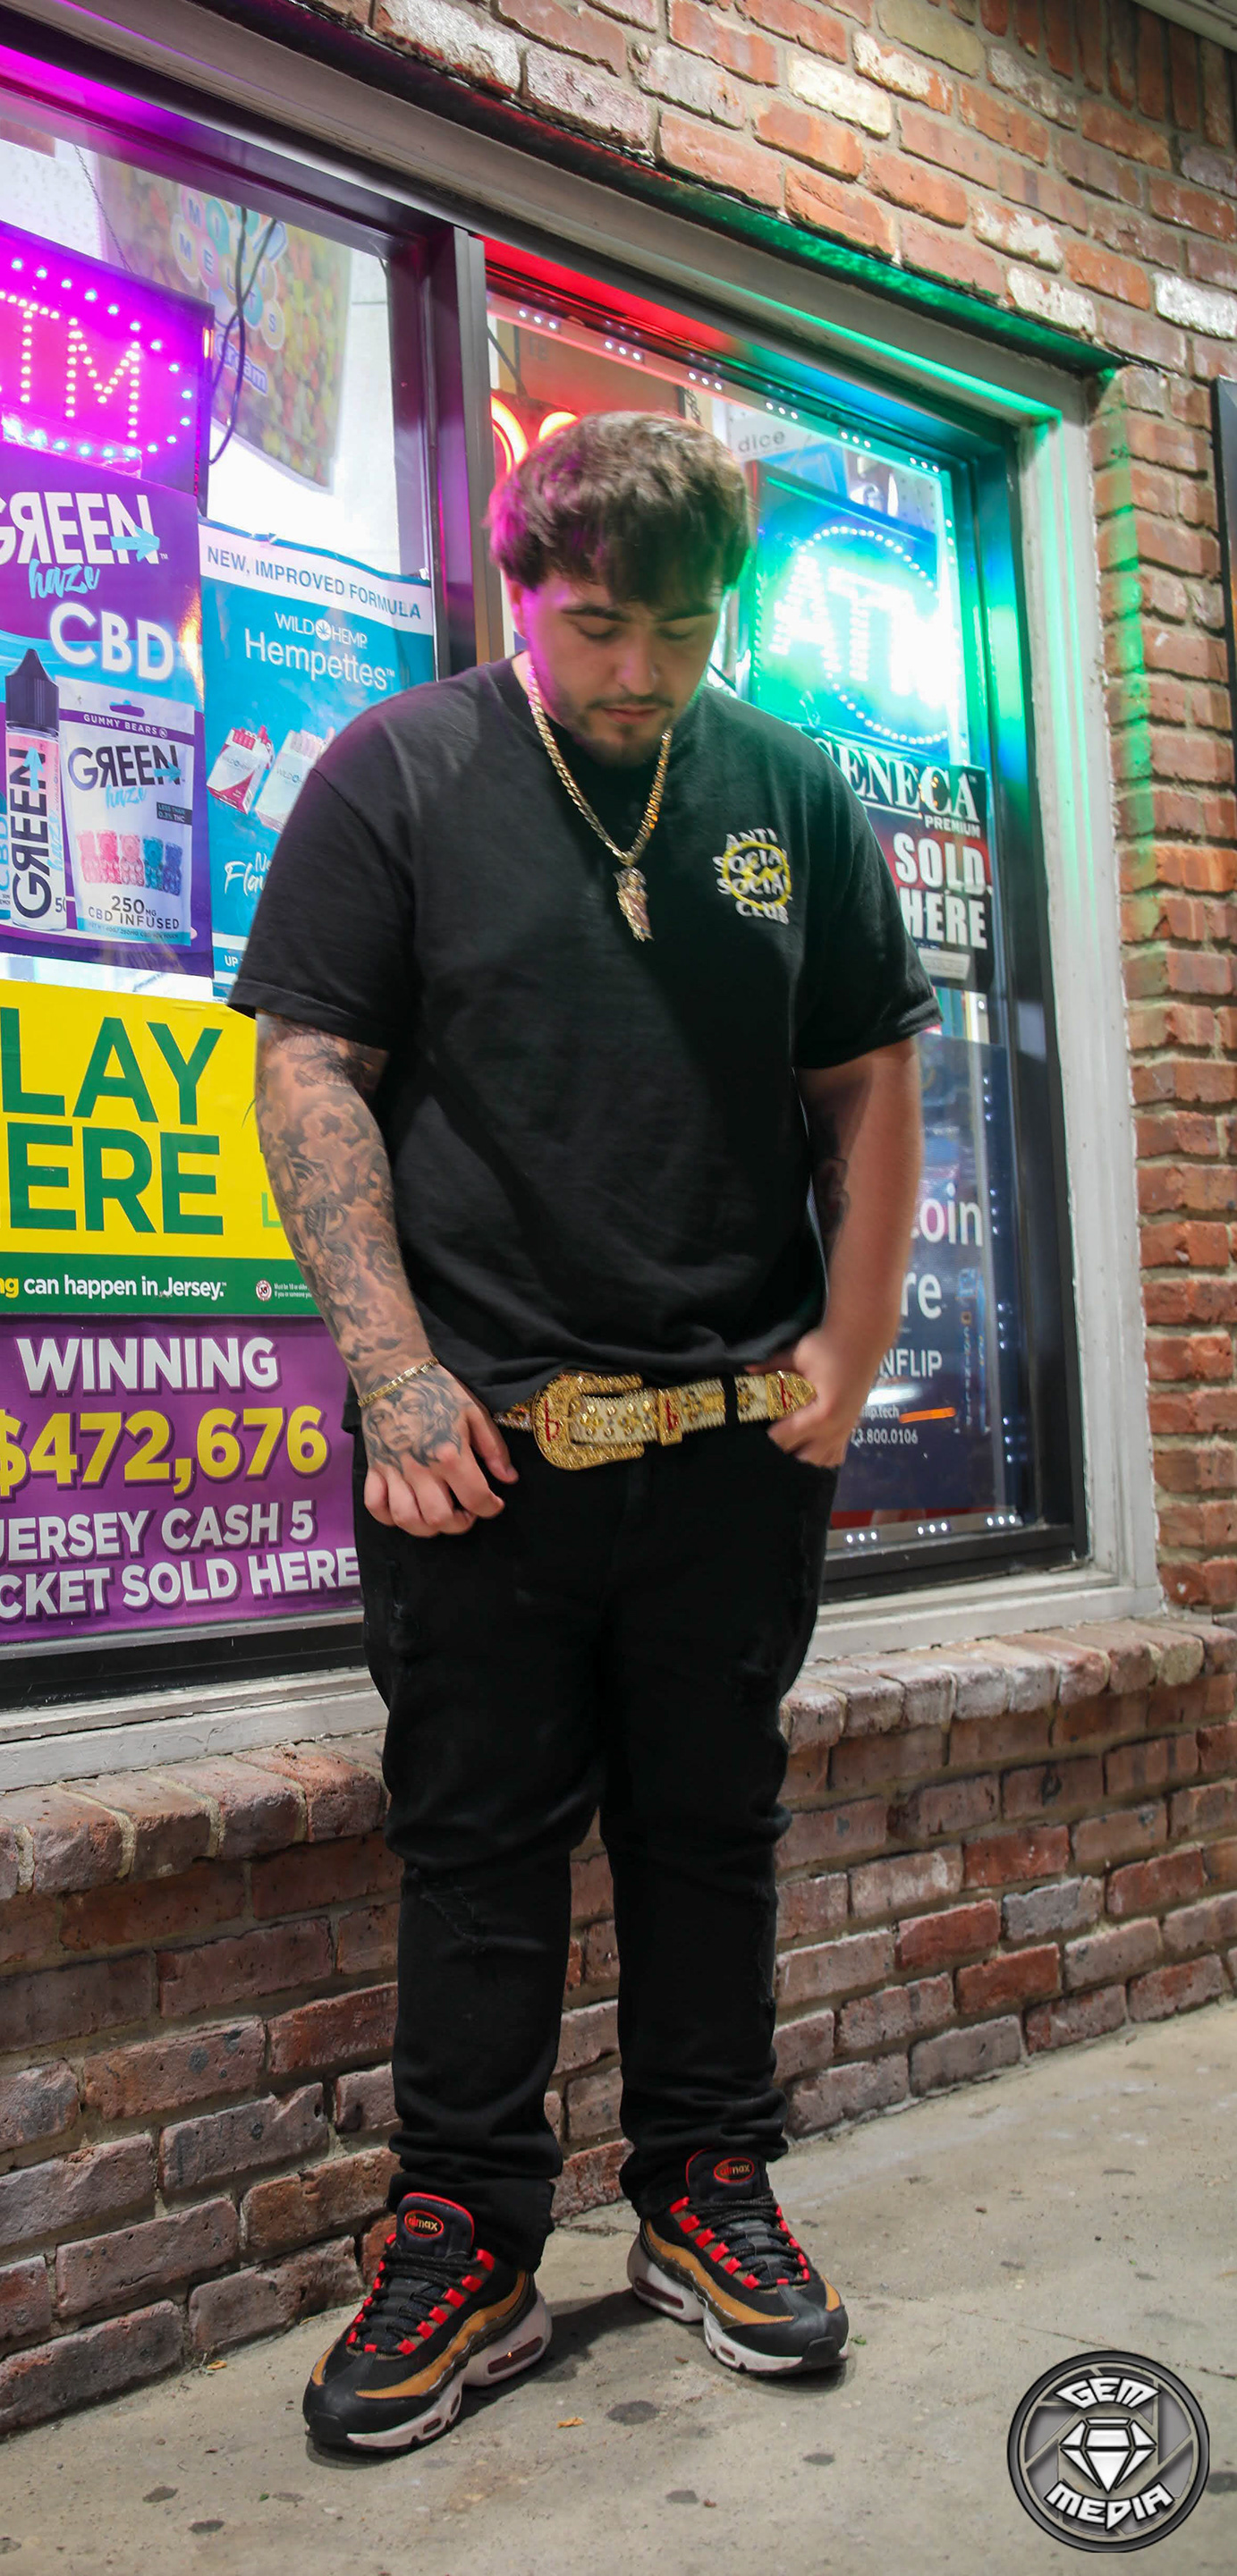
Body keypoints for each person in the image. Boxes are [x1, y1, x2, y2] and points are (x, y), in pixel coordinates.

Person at [229, 411, 935, 2454]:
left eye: (684, 631)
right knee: (476, 1845)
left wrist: (851, 1351)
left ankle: (708, 2186)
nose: (642, 671)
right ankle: (466, 2234)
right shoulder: (399, 773)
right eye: (602, 627)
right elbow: (310, 1069)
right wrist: (390, 1373)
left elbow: (867, 1080)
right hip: (481, 1444)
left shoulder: (789, 789)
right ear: (520, 589)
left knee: (715, 1829)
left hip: (732, 1432)